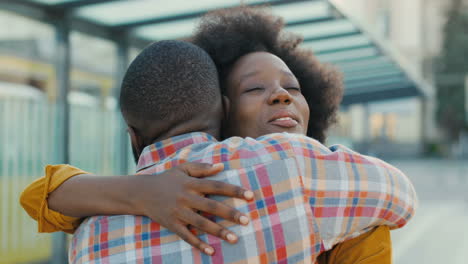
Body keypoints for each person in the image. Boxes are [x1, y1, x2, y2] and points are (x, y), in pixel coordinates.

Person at [20, 7, 416, 264]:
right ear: (222, 113)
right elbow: (41, 195)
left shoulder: (91, 232)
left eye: (293, 88)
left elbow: (43, 194)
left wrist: (141, 192)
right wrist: (146, 192)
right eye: (253, 89)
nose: (280, 95)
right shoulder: (296, 176)